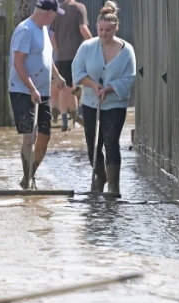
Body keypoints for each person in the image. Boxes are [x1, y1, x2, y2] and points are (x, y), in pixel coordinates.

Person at [72, 1, 135, 197]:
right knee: (92, 144)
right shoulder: (87, 47)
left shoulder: (127, 51)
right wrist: (92, 84)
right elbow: (77, 71)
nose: (104, 34)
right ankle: (100, 177)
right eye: (100, 29)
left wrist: (110, 88)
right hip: (91, 102)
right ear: (96, 28)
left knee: (111, 141)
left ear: (116, 28)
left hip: (115, 103)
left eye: (108, 30)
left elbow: (129, 77)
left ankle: (114, 187)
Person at [8, 0, 67, 190]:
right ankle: (28, 181)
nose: (56, 16)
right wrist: (32, 88)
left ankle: (30, 174)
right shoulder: (25, 30)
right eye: (56, 13)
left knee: (45, 135)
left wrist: (57, 76)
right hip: (23, 90)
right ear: (49, 13)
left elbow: (45, 57)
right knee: (29, 136)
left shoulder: (43, 29)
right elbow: (18, 63)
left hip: (43, 92)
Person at [50, 0, 92, 131]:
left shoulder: (57, 10)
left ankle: (64, 121)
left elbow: (53, 36)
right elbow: (83, 29)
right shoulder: (79, 7)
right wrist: (94, 45)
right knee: (76, 86)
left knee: (64, 87)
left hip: (62, 56)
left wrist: (58, 52)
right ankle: (76, 117)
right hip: (77, 55)